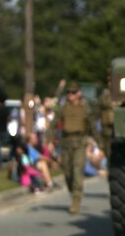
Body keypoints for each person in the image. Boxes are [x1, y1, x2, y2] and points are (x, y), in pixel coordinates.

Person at [49, 81, 99, 214]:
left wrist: (99, 143)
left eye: (73, 92)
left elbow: (93, 126)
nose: (70, 95)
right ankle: (74, 193)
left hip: (80, 143)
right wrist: (49, 141)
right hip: (65, 143)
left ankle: (75, 201)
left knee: (77, 171)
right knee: (67, 173)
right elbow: (54, 124)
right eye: (68, 93)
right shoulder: (63, 108)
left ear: (79, 93)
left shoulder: (85, 108)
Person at [96, 81, 115, 159]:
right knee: (108, 147)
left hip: (119, 125)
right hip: (107, 125)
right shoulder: (104, 95)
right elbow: (99, 108)